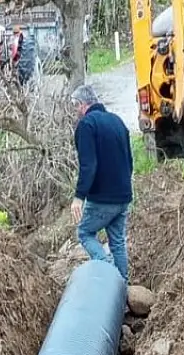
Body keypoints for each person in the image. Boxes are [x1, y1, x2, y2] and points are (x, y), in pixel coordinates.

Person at [70, 85, 133, 281]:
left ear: (82, 105)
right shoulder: (117, 122)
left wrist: (79, 197)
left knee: (85, 233)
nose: (76, 112)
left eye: (75, 107)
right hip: (123, 196)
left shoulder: (87, 125)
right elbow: (129, 161)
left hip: (102, 198)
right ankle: (122, 286)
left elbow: (89, 165)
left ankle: (109, 274)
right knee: (117, 242)